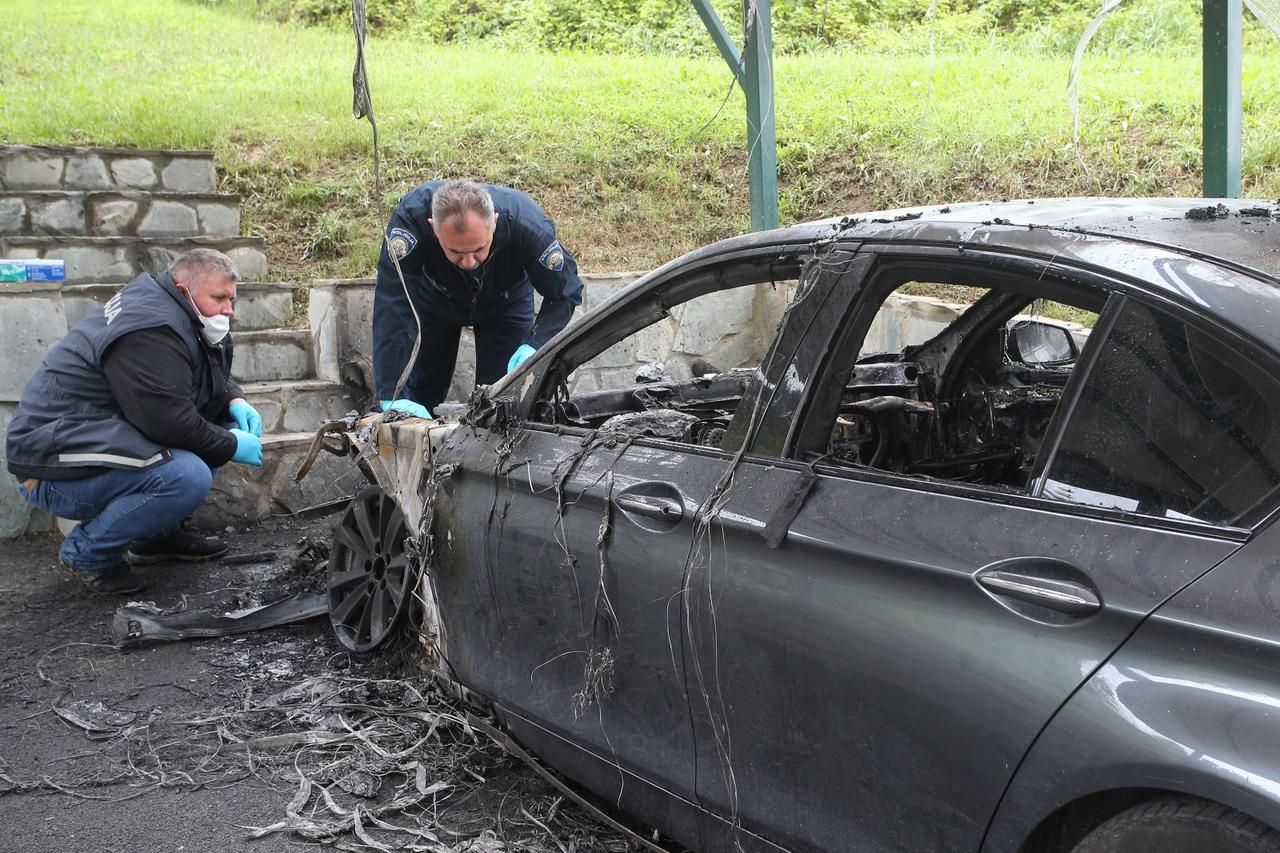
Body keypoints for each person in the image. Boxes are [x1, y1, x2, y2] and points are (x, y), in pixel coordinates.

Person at [5, 249, 265, 594]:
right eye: (219, 298)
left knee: (214, 436)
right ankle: (87, 553)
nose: (228, 309)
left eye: (232, 299)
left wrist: (235, 399)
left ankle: (156, 537)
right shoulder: (150, 328)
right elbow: (169, 422)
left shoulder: (177, 310)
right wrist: (232, 444)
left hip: (90, 439)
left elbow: (193, 372)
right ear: (185, 288)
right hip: (51, 467)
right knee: (188, 474)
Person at [372, 179, 584, 417]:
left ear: (494, 221)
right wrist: (390, 393)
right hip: (434, 300)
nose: (469, 262)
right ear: (433, 227)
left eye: (479, 249)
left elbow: (565, 292)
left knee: (501, 405)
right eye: (455, 252)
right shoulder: (410, 222)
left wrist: (536, 344)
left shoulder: (528, 226)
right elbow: (392, 305)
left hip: (505, 303)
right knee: (415, 397)